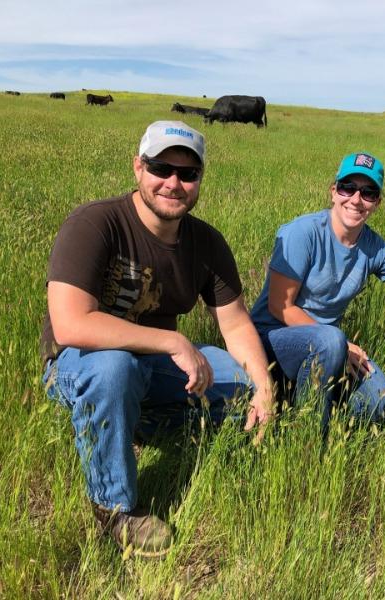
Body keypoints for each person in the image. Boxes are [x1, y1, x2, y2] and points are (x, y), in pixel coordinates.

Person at [40, 120, 274, 558]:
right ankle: (115, 508)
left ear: (200, 180)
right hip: (79, 362)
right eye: (161, 168)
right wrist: (173, 342)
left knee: (238, 387)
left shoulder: (206, 243)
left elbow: (237, 324)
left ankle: (132, 424)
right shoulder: (96, 223)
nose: (173, 183)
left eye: (187, 174)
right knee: (115, 368)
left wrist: (264, 389)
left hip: (151, 365)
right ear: (137, 168)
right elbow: (71, 325)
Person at [250, 152, 385, 432]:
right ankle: (308, 438)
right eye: (347, 188)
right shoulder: (303, 232)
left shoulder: (374, 248)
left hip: (330, 348)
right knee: (330, 340)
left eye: (368, 192)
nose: (355, 199)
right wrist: (341, 345)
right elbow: (280, 307)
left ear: (377, 203)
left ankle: (297, 398)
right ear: (333, 192)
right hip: (271, 340)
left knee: (379, 401)